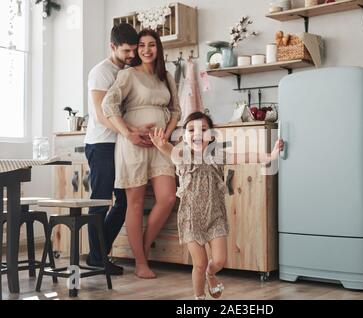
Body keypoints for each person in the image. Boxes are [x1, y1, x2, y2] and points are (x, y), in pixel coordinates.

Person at [149, 111, 284, 299]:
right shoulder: (182, 157)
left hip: (215, 216)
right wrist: (161, 145)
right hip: (191, 219)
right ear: (184, 136)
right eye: (191, 130)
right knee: (200, 263)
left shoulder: (217, 156)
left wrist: (270, 155)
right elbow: (169, 150)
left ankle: (211, 274)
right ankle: (199, 298)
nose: (197, 134)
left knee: (219, 260)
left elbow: (243, 156)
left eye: (203, 129)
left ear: (211, 135)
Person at [102, 29, 181, 279]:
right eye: (142, 45)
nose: (147, 50)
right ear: (137, 49)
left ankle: (144, 248)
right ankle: (140, 262)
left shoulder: (166, 77)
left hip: (160, 145)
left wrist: (165, 135)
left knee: (168, 197)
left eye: (152, 45)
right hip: (133, 144)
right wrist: (128, 132)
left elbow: (176, 110)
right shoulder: (128, 75)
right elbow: (108, 105)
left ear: (159, 48)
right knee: (134, 203)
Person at [84, 23, 154, 275]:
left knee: (123, 200)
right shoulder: (101, 72)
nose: (131, 55)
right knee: (101, 200)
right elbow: (103, 114)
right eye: (125, 51)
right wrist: (129, 132)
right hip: (102, 143)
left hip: (120, 143)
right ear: (112, 46)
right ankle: (96, 256)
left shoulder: (128, 70)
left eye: (133, 50)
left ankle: (98, 252)